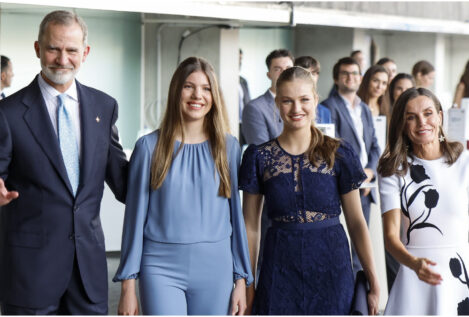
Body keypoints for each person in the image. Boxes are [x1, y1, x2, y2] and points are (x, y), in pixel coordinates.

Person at [0, 10, 128, 315]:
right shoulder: (8, 113)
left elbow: (123, 182)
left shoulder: (104, 106)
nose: (62, 59)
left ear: (84, 52)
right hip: (30, 273)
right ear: (38, 49)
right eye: (53, 48)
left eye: (71, 50)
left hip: (88, 274)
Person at [114, 57, 253, 315]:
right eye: (189, 86)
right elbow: (133, 221)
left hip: (216, 268)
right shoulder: (148, 147)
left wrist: (241, 279)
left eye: (206, 88)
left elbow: (236, 216)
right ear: (176, 90)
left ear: (214, 96)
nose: (197, 95)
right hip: (160, 268)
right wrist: (127, 287)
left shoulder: (229, 147)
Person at [240, 66, 379, 315]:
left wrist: (374, 279)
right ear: (277, 104)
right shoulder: (259, 157)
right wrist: (248, 285)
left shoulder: (339, 153)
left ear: (315, 100)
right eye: (287, 101)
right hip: (279, 270)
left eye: (304, 99)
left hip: (332, 268)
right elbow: (250, 227)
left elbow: (357, 222)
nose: (296, 109)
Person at [378, 87, 469, 315]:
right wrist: (414, 263)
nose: (422, 123)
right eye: (411, 117)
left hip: (461, 271)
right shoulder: (393, 170)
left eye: (428, 113)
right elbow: (390, 237)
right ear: (402, 124)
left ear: (440, 115)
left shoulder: (465, 163)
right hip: (414, 275)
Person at [322, 57, 381, 276]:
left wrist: (370, 171)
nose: (351, 77)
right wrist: (358, 176)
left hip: (366, 184)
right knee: (342, 245)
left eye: (355, 73)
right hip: (344, 186)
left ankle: (361, 301)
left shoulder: (364, 108)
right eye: (345, 73)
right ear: (337, 79)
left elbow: (375, 145)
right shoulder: (328, 107)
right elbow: (332, 147)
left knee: (361, 246)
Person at [242, 48, 293, 145]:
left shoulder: (301, 105)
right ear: (269, 75)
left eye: (288, 68)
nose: (284, 73)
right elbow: (261, 153)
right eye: (277, 69)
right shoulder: (255, 109)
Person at [294, 56, 332, 123]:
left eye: (313, 73)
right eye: (304, 73)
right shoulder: (291, 108)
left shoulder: (325, 112)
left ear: (317, 76)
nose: (309, 77)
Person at [239, 48, 251, 145]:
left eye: (241, 59)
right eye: (237, 59)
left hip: (243, 123)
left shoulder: (243, 81)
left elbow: (247, 102)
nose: (239, 62)